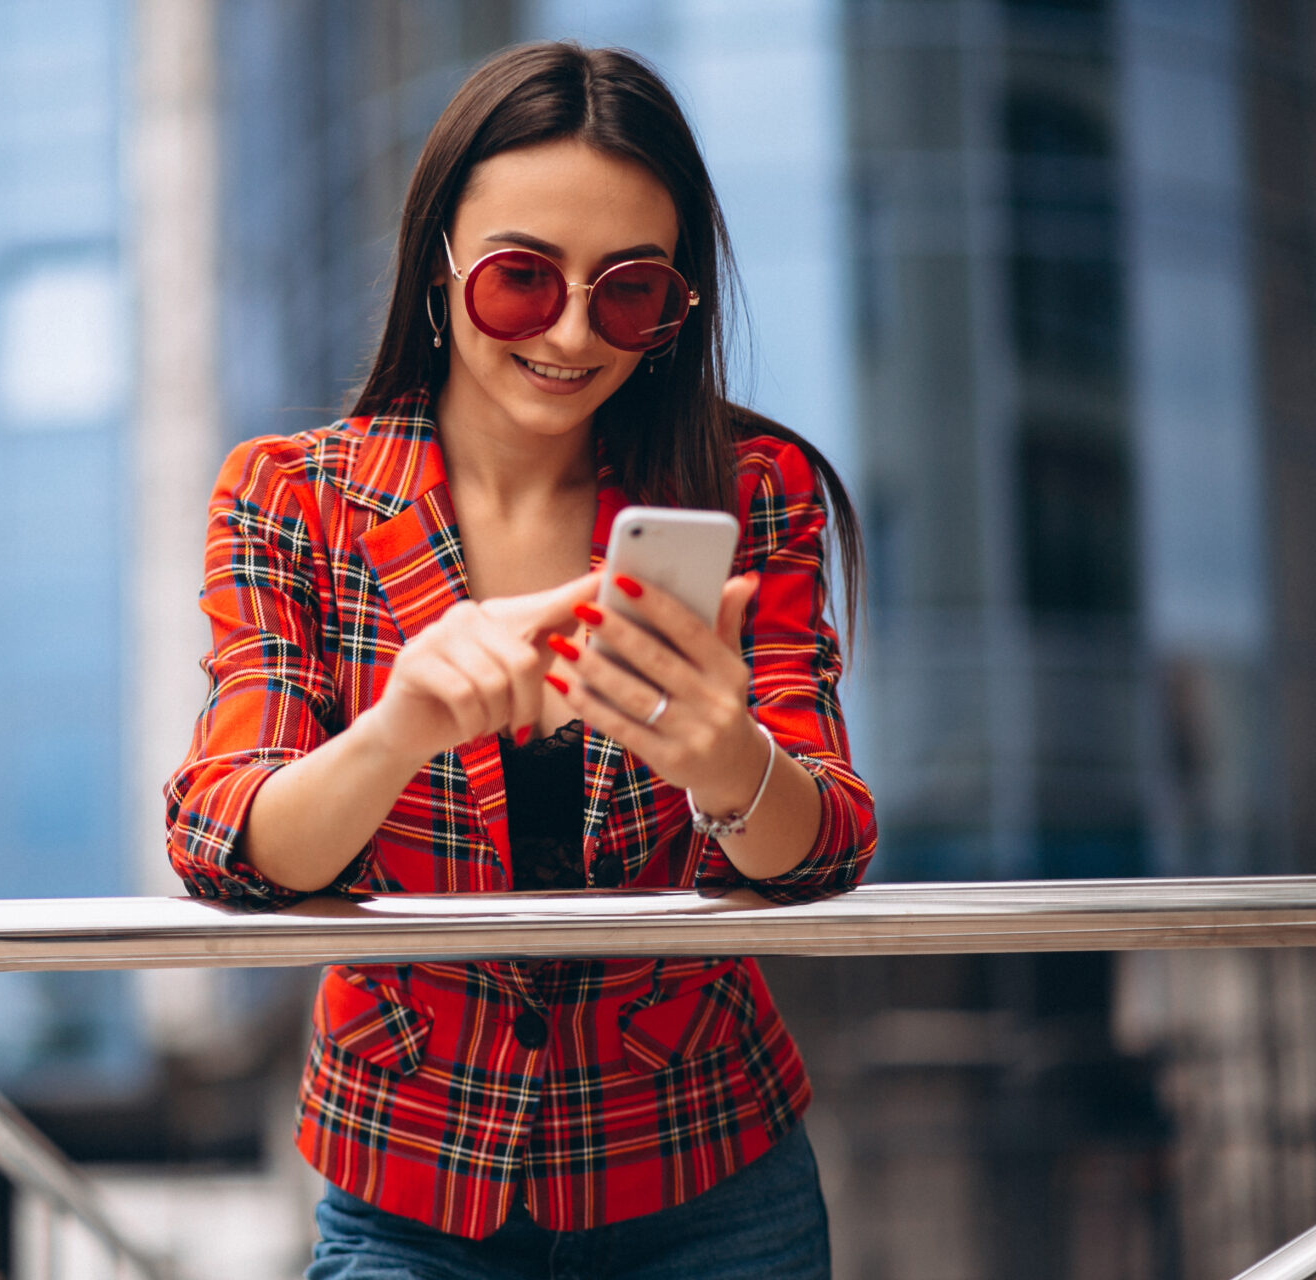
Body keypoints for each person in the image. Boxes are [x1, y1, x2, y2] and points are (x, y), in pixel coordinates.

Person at [166, 41, 875, 1280]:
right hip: (409, 1182)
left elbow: (825, 845)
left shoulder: (748, 489)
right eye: (521, 278)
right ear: (439, 266)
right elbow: (228, 842)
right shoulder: (294, 499)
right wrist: (396, 730)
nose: (571, 331)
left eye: (630, 291)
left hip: (705, 1168)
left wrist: (726, 759)